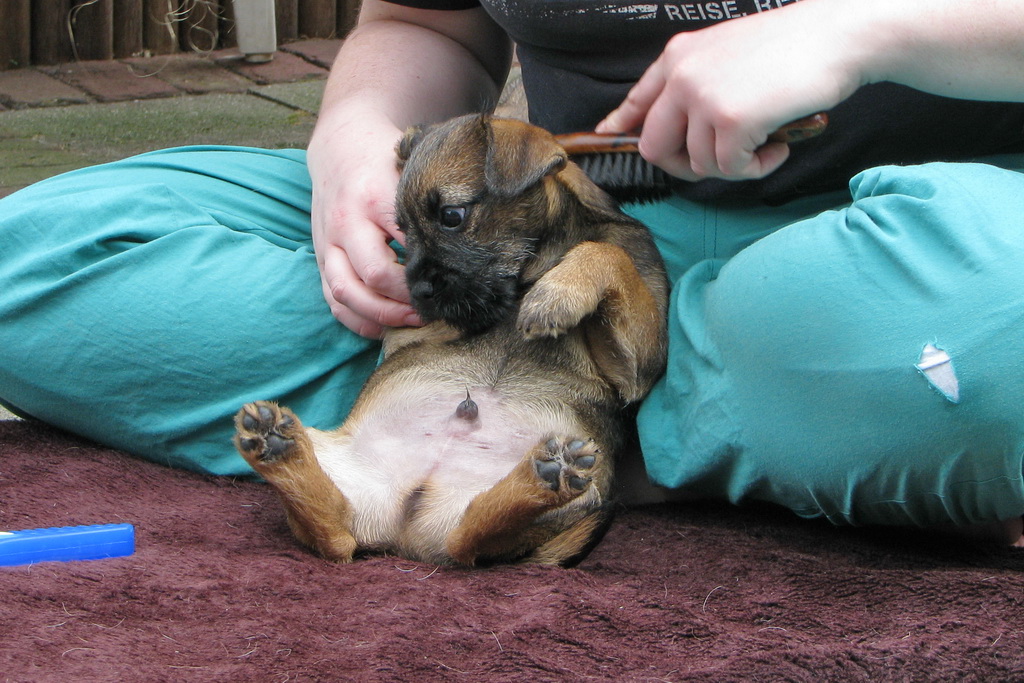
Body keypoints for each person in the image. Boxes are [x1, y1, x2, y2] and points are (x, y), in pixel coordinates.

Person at [2, 0, 1023, 544]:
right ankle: (646, 407)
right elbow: (422, 23)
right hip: (521, 241)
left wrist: (865, 27)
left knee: (993, 319)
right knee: (34, 253)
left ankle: (562, 396)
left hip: (898, 243)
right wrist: (356, 141)